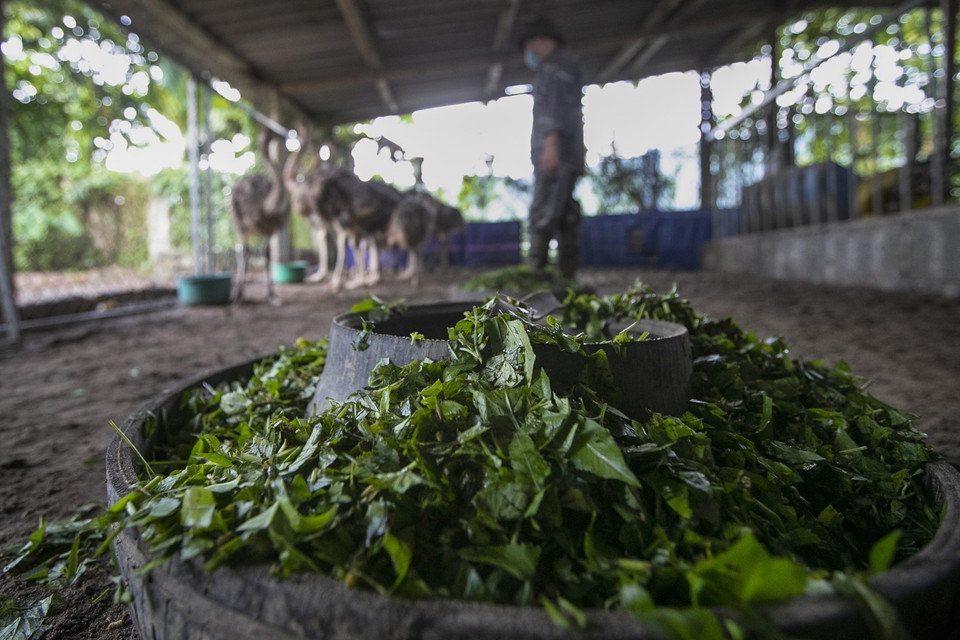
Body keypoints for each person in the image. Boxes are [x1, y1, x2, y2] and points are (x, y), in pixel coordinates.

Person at [519, 16, 585, 281]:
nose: (531, 53)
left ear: (543, 41)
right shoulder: (561, 66)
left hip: (556, 154)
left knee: (543, 211)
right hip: (567, 154)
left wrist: (550, 145)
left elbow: (555, 108)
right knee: (565, 212)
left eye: (532, 46)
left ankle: (535, 275)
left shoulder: (556, 67)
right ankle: (567, 277)